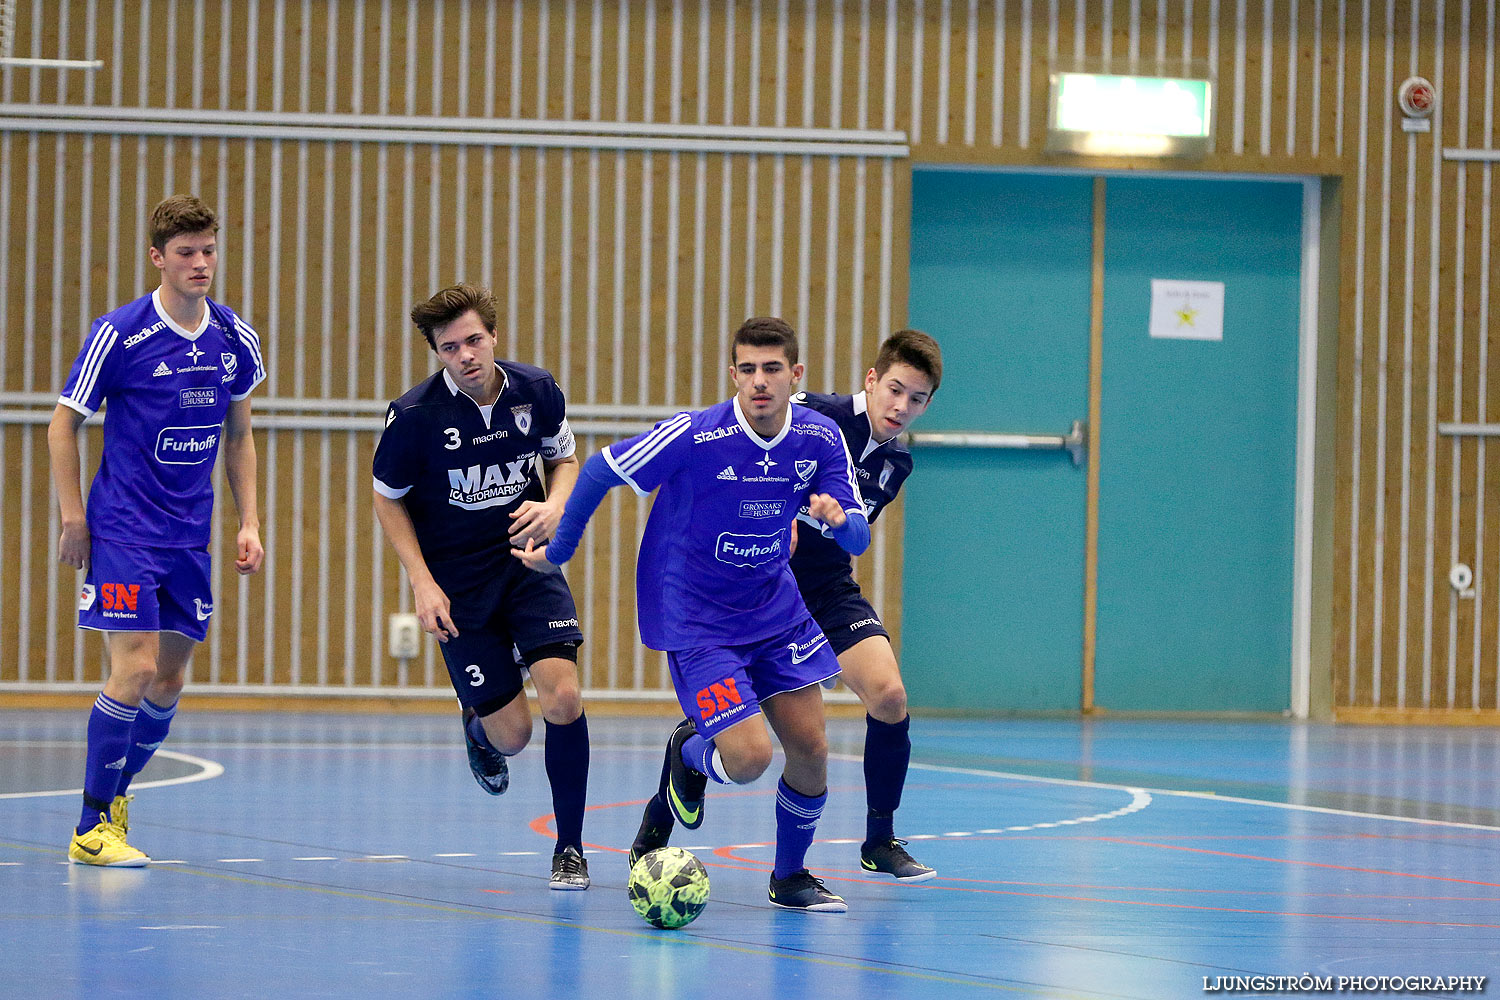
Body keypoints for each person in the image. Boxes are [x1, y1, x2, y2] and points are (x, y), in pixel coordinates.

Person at [514, 317, 871, 912]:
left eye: (773, 369)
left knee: (811, 747)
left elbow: (857, 537)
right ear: (733, 374)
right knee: (751, 758)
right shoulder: (695, 435)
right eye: (748, 370)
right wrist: (559, 552)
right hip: (697, 617)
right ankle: (689, 751)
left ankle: (789, 878)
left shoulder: (820, 437)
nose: (760, 382)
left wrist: (840, 522)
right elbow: (601, 467)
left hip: (774, 609)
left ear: (796, 375)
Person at [50, 194, 266, 867]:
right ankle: (90, 827)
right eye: (186, 253)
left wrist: (249, 521)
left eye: (208, 251)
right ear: (158, 258)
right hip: (123, 529)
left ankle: (116, 801)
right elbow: (63, 425)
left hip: (188, 536)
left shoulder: (235, 336)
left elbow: (240, 436)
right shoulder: (120, 333)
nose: (201, 264)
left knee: (169, 682)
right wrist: (75, 518)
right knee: (135, 667)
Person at [371, 283, 592, 890]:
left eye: (474, 340)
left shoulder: (536, 390)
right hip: (458, 587)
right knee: (514, 736)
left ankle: (569, 848)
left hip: (527, 567)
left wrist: (556, 508)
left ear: (492, 335)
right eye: (450, 348)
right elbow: (387, 500)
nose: (466, 355)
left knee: (564, 699)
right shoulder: (414, 417)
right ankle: (478, 727)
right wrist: (422, 583)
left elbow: (565, 460)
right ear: (436, 354)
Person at [790, 330, 942, 881]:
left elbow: (851, 535)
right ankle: (659, 821)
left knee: (890, 695)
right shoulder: (814, 414)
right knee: (733, 730)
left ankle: (879, 840)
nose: (902, 407)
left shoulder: (896, 465)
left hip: (828, 586)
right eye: (895, 390)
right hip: (763, 582)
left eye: (918, 399)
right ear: (871, 380)